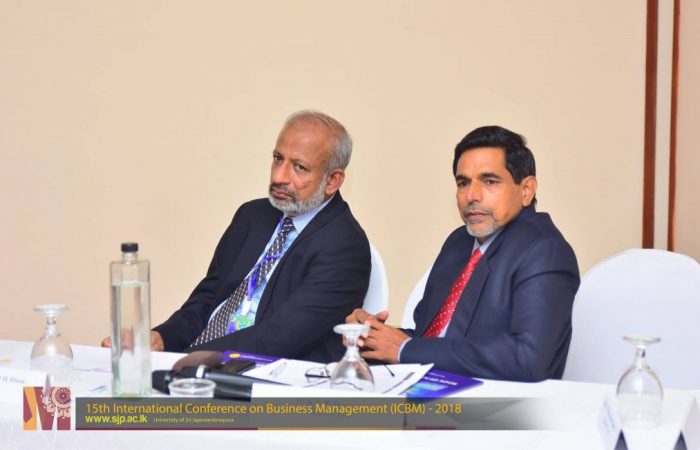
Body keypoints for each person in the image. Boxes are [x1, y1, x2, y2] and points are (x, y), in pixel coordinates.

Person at [103, 110, 371, 363]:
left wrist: (184, 360)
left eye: (299, 167)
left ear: (332, 181)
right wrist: (163, 338)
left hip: (262, 377)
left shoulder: (346, 247)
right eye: (278, 159)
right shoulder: (252, 216)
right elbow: (207, 300)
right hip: (202, 362)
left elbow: (278, 338)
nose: (279, 176)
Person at [347, 125, 579, 382]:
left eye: (490, 181)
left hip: (496, 402)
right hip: (434, 389)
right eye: (463, 183)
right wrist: (372, 337)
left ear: (526, 190)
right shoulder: (459, 242)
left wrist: (404, 349)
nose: (471, 195)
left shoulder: (544, 250)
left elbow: (529, 360)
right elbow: (431, 339)